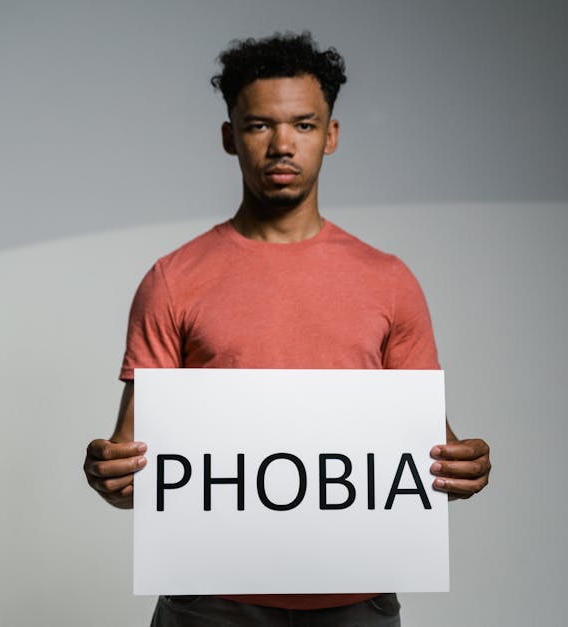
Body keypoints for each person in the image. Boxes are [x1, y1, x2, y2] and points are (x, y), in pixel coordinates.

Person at [83, 31, 491, 626]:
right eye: (258, 126)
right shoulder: (173, 280)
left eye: (303, 125)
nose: (281, 145)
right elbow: (132, 463)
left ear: (331, 136)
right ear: (230, 137)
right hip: (213, 604)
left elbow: (429, 448)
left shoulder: (389, 280)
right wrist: (111, 474)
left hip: (355, 600)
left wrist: (463, 468)